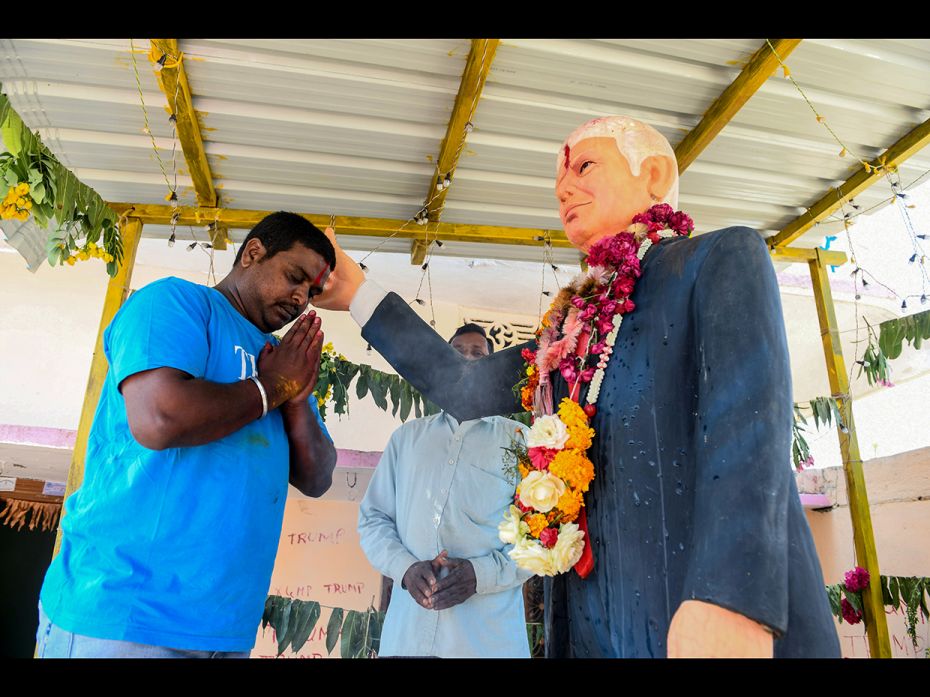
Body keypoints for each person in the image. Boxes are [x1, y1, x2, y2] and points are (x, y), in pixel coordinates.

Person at [314, 116, 841, 658]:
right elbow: (465, 389)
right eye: (558, 183)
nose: (564, 189)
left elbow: (749, 431)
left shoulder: (717, 259)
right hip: (595, 623)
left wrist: (731, 599)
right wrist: (356, 289)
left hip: (705, 611)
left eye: (584, 166)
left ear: (654, 175)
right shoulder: (571, 326)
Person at [37, 211, 338, 658]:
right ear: (253, 252)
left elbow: (317, 477)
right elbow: (160, 418)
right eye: (294, 276)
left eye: (311, 292)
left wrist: (293, 396)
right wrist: (272, 387)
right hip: (126, 614)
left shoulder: (280, 358)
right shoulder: (174, 303)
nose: (300, 299)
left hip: (225, 628)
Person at [358, 323, 533, 658]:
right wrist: (405, 569)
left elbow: (541, 540)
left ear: (492, 367)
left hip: (487, 643)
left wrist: (480, 575)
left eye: (478, 354)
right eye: (456, 353)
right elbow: (373, 520)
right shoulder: (406, 439)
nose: (466, 361)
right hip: (407, 639)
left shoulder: (519, 441)